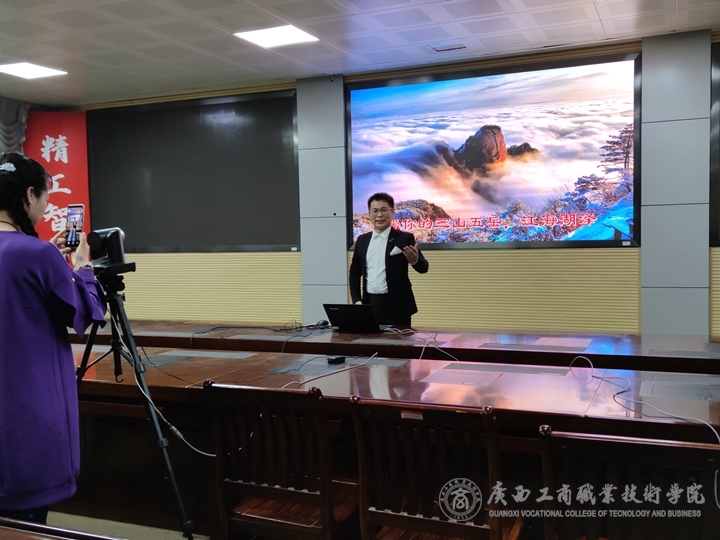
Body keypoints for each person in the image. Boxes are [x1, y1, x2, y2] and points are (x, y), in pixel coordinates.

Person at [0, 152, 106, 524]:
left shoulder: (38, 254)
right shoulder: (39, 254)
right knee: (25, 521)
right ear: (30, 194)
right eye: (44, 196)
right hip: (27, 408)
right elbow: (86, 313)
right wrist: (81, 266)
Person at [349, 192, 429, 326]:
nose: (379, 215)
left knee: (399, 340)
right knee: (369, 339)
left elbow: (423, 268)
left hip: (397, 307)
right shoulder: (362, 240)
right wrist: (357, 300)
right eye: (375, 211)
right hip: (370, 304)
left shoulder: (404, 238)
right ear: (369, 214)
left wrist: (414, 260)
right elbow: (354, 273)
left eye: (384, 210)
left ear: (392, 212)